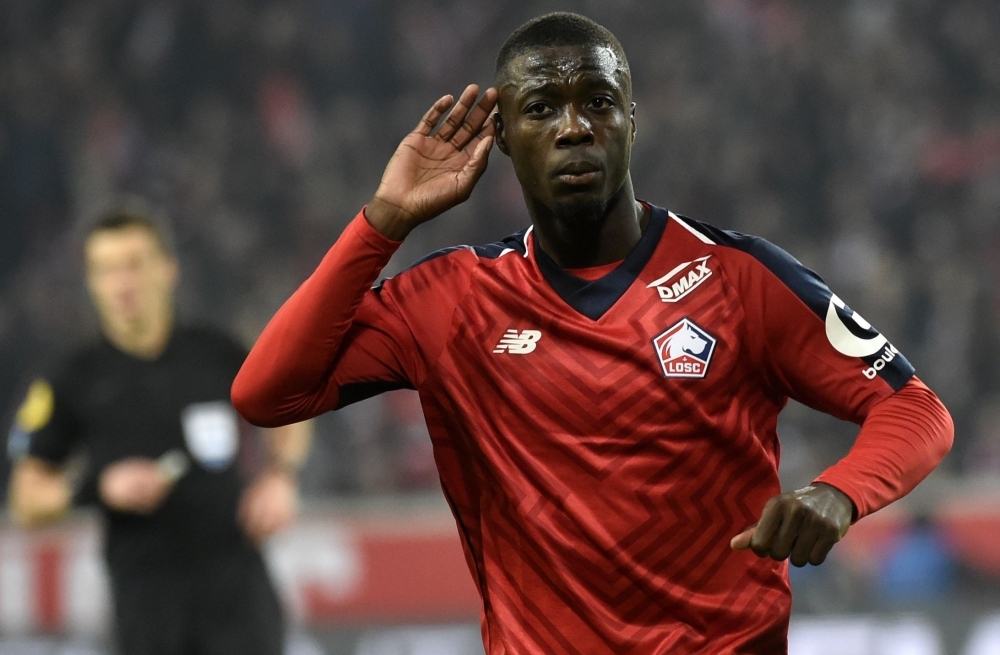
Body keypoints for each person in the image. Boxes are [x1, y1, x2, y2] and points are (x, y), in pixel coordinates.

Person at [231, 12, 953, 654]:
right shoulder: (452, 300)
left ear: (632, 122)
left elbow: (917, 409)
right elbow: (266, 392)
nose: (573, 126)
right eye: (541, 108)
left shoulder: (736, 277)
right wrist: (383, 221)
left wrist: (839, 491)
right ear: (504, 138)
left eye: (598, 102)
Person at [8, 206, 310, 655]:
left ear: (168, 270)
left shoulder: (217, 352)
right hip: (147, 607)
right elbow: (25, 499)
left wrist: (281, 475)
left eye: (134, 264)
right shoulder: (72, 381)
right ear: (92, 283)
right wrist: (94, 488)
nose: (122, 283)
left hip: (238, 596)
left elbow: (295, 403)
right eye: (107, 270)